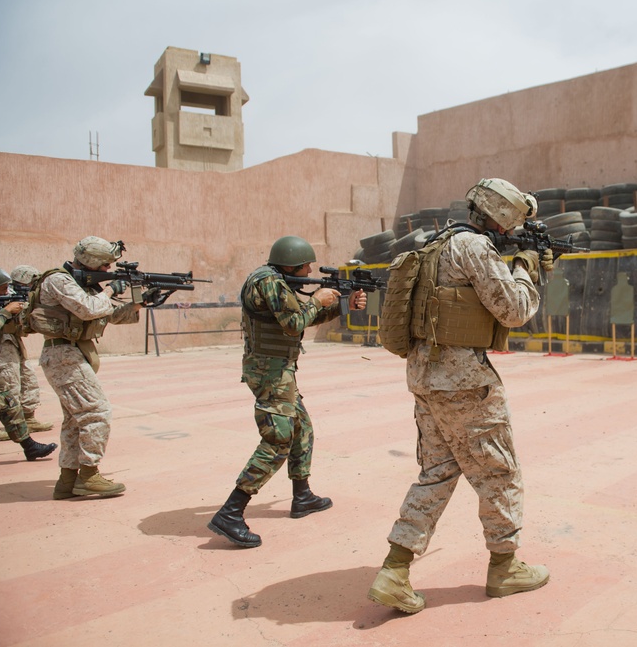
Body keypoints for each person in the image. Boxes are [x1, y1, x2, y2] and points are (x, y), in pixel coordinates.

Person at [367, 178, 554, 614]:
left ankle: (395, 569)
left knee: (436, 472)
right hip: (465, 383)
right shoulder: (473, 248)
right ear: (503, 217)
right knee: (500, 472)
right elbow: (514, 309)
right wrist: (526, 267)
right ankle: (505, 568)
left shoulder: (437, 243)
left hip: (426, 378)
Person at [207, 235, 367, 548]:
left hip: (279, 370)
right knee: (278, 439)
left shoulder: (276, 281)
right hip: (270, 373)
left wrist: (343, 306)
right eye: (306, 266)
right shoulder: (269, 283)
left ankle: (302, 496)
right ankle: (231, 511)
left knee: (300, 429)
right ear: (291, 262)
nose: (309, 272)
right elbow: (294, 323)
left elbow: (298, 319)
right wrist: (317, 300)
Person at [32, 236, 146, 499]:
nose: (108, 271)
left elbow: (107, 315)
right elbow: (88, 309)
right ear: (92, 262)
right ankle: (89, 475)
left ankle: (68, 480)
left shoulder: (82, 284)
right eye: (105, 266)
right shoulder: (58, 280)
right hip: (62, 355)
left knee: (76, 419)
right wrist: (111, 290)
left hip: (72, 354)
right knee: (97, 412)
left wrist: (138, 303)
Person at [0, 267, 58, 470]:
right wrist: (6, 310)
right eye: (1, 290)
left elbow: (11, 327)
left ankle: (29, 446)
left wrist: (17, 312)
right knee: (8, 403)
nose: (5, 294)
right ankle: (29, 446)